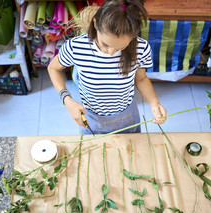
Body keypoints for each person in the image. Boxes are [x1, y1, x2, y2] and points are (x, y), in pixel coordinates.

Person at [47, 0, 167, 135]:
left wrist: (154, 103)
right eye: (105, 44)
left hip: (127, 115)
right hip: (91, 116)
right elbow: (53, 68)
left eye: (120, 47)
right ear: (95, 23)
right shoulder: (76, 47)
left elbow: (141, 79)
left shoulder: (140, 48)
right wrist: (67, 99)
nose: (111, 53)